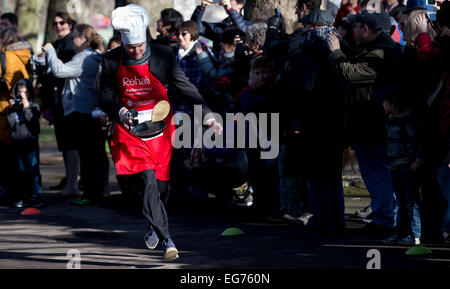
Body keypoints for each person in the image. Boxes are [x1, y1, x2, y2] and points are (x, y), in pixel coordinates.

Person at [98, 4, 222, 261]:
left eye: (140, 46)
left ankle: (153, 224)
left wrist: (207, 115)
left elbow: (184, 87)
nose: (136, 51)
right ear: (122, 43)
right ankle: (167, 239)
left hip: (161, 129)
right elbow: (104, 96)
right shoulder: (111, 60)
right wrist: (119, 111)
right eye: (131, 48)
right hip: (130, 129)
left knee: (163, 187)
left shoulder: (164, 54)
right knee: (147, 181)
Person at [327, 11, 402, 233]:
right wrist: (343, 47)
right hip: (370, 122)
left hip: (371, 124)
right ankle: (387, 215)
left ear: (366, 29)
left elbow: (352, 72)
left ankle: (386, 218)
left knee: (376, 171)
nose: (353, 31)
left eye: (356, 27)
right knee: (378, 170)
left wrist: (335, 51)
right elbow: (358, 61)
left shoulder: (382, 53)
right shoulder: (377, 48)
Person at [42, 24, 109, 203]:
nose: (72, 40)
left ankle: (91, 195)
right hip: (90, 111)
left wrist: (50, 51)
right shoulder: (93, 56)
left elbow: (59, 70)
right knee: (94, 155)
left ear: (84, 39)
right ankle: (97, 192)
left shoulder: (84, 58)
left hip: (82, 111)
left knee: (88, 156)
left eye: (74, 37)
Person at [36, 12, 79, 194]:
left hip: (69, 99)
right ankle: (69, 179)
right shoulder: (55, 44)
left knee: (71, 144)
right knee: (64, 143)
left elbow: (62, 69)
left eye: (62, 23)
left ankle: (73, 183)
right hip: (56, 101)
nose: (58, 26)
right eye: (55, 23)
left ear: (69, 24)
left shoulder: (70, 43)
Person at [381, 90, 425, 245]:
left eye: (385, 102)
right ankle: (400, 233)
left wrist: (418, 161)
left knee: (411, 201)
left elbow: (419, 141)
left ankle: (415, 235)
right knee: (400, 201)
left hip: (407, 165)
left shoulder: (408, 120)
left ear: (393, 104)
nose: (383, 105)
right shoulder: (390, 119)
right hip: (395, 165)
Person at [0, 27, 32, 202]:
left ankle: (14, 191)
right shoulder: (25, 54)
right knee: (22, 154)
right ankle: (26, 192)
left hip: (5, 108)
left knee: (9, 154)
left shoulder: (6, 56)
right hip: (21, 106)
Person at [7, 79, 43, 208]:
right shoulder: (13, 108)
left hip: (30, 142)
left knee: (33, 169)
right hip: (17, 142)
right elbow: (11, 124)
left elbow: (32, 121)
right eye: (19, 92)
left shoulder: (34, 107)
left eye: (25, 92)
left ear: (29, 93)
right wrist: (12, 110)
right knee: (20, 170)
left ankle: (36, 195)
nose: (22, 95)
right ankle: (23, 195)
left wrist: (26, 107)